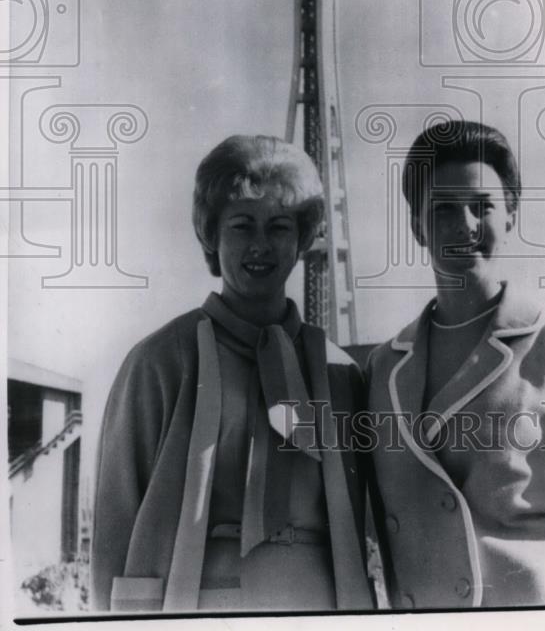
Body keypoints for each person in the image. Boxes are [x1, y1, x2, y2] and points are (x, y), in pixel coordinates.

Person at [366, 120, 545, 608]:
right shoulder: (382, 368)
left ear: (511, 215)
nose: (466, 225)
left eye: (482, 206)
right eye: (444, 209)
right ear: (415, 226)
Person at [91, 135, 374, 614]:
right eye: (242, 225)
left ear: (301, 239)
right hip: (200, 605)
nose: (260, 245)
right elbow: (116, 520)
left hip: (321, 606)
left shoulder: (339, 373)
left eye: (279, 227)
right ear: (211, 234)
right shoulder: (159, 361)